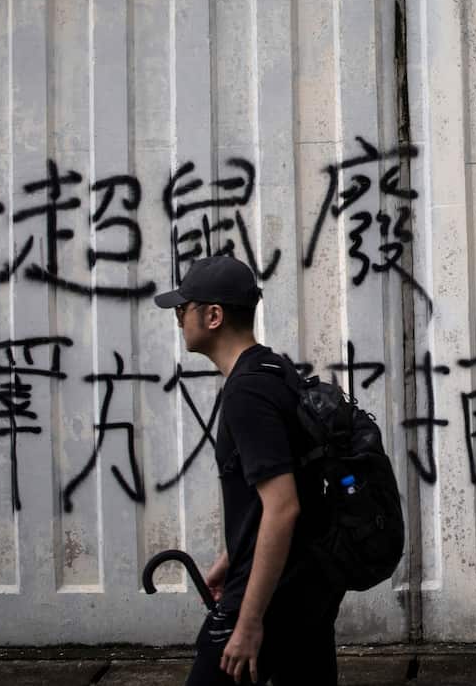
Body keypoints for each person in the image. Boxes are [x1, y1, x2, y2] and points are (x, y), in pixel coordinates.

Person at [155, 255, 344, 685]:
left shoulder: (247, 392)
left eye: (183, 309)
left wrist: (249, 622)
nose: (179, 319)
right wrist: (231, 555)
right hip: (309, 584)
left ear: (213, 315)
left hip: (274, 593)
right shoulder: (276, 370)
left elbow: (283, 508)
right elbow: (292, 486)